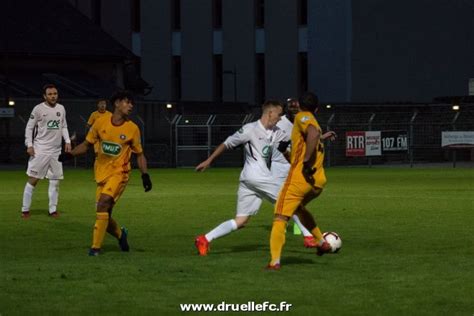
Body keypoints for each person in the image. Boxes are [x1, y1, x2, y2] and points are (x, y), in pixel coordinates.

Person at [194, 100, 313, 256]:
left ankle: (204, 239)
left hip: (249, 181)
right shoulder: (250, 129)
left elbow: (291, 144)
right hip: (258, 177)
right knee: (290, 203)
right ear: (270, 113)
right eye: (278, 114)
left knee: (241, 221)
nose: (280, 117)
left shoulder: (276, 131)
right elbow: (227, 143)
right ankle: (311, 237)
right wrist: (209, 160)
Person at [59, 90, 152, 256]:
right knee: (104, 214)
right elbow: (86, 145)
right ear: (116, 103)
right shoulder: (100, 122)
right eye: (127, 102)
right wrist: (69, 154)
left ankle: (95, 248)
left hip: (120, 174)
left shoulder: (132, 128)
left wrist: (145, 175)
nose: (130, 106)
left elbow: (139, 154)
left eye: (132, 103)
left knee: (102, 204)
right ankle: (120, 234)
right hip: (101, 173)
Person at [267, 92, 333, 270]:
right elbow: (309, 142)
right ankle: (321, 242)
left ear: (300, 107)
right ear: (317, 108)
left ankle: (274, 262)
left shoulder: (303, 117)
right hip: (317, 181)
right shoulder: (315, 122)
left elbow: (311, 134)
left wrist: (304, 163)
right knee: (299, 209)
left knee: (280, 216)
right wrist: (287, 153)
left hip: (300, 179)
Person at [21, 84, 71, 218]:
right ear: (44, 96)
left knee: (55, 182)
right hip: (40, 150)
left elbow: (64, 126)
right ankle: (25, 209)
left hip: (56, 152)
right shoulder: (38, 109)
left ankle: (52, 210)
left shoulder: (61, 108)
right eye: (50, 94)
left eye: (55, 93)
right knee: (34, 179)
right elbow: (29, 128)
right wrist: (29, 145)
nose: (53, 96)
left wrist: (67, 141)